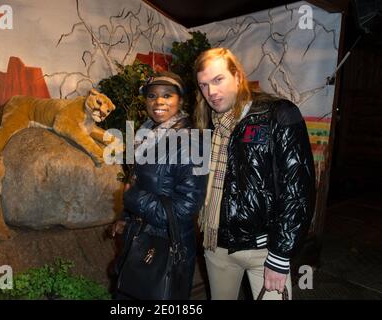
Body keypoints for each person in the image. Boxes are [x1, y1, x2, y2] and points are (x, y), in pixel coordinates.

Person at [194, 48, 316, 300]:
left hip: (265, 250)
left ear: (237, 76)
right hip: (216, 246)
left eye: (218, 80)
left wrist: (281, 255)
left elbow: (298, 188)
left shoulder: (278, 113)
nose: (212, 92)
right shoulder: (209, 124)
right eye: (204, 85)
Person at [112, 71, 207, 299]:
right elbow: (140, 182)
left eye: (167, 95)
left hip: (166, 244)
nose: (159, 102)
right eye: (152, 95)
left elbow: (186, 208)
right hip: (139, 237)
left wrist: (133, 199)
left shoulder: (191, 142)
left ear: (180, 100)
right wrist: (125, 218)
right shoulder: (147, 134)